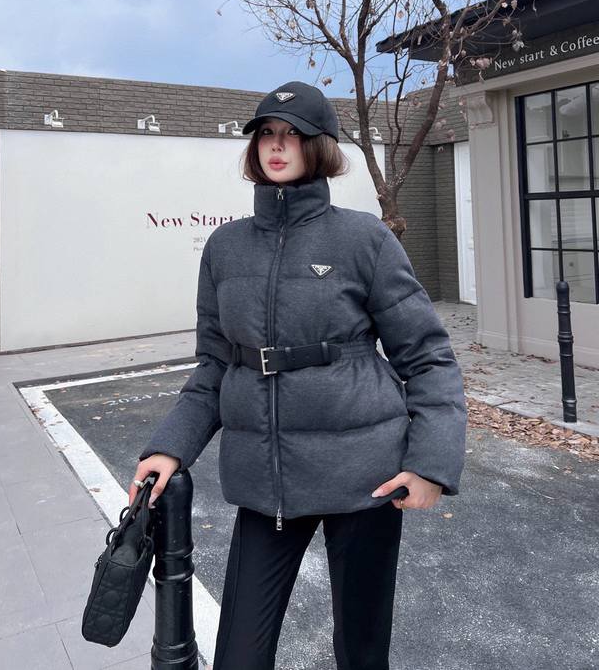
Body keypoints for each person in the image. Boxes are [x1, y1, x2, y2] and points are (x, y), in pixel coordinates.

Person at [130, 81, 468, 670]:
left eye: (293, 134)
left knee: (362, 652)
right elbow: (214, 365)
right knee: (240, 654)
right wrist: (169, 446)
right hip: (266, 484)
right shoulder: (225, 247)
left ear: (321, 147)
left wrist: (431, 464)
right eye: (266, 133)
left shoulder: (364, 238)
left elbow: (426, 356)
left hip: (365, 479)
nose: (276, 145)